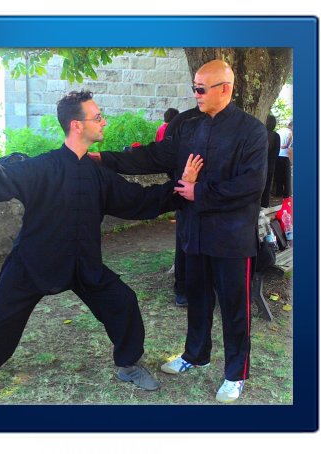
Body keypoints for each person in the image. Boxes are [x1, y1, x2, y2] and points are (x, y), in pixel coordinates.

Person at [0, 89, 203, 397]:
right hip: (33, 264)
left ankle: (128, 364)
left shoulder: (99, 175)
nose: (104, 122)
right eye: (98, 118)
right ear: (77, 125)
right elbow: (0, 175)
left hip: (83, 265)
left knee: (123, 302)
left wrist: (182, 187)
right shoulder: (42, 167)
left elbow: (137, 199)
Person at [88, 60, 268, 403]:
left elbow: (251, 186)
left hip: (232, 237)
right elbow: (153, 156)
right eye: (194, 88)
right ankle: (195, 355)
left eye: (201, 88)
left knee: (234, 309)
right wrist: (103, 159)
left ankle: (235, 374)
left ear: (224, 89)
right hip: (194, 231)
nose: (195, 94)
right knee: (197, 299)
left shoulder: (251, 131)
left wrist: (199, 192)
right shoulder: (188, 125)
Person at [163, 105, 204, 306]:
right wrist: (181, 181)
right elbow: (166, 156)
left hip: (211, 196)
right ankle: (182, 288)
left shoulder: (229, 122)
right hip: (186, 194)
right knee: (184, 241)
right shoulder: (182, 121)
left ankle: (205, 287)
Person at [261, 114, 281, 208]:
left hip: (260, 165)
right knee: (267, 185)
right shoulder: (276, 136)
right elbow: (276, 152)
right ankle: (265, 204)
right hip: (270, 165)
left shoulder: (261, 134)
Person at [273, 120, 293, 198]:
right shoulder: (290, 132)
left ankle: (278, 192)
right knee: (287, 176)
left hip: (278, 155)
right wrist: (287, 145)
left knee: (278, 175)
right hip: (286, 156)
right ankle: (287, 193)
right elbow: (290, 137)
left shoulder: (279, 131)